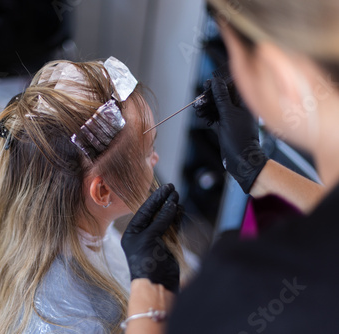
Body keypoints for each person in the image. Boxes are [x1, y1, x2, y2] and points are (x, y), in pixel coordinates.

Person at [121, 0, 339, 332]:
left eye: (234, 56)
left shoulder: (246, 290)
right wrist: (255, 169)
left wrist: (146, 307)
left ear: (281, 75)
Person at [0, 57, 190, 334]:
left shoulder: (1, 206)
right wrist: (157, 309)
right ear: (102, 191)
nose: (156, 159)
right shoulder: (78, 321)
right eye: (148, 152)